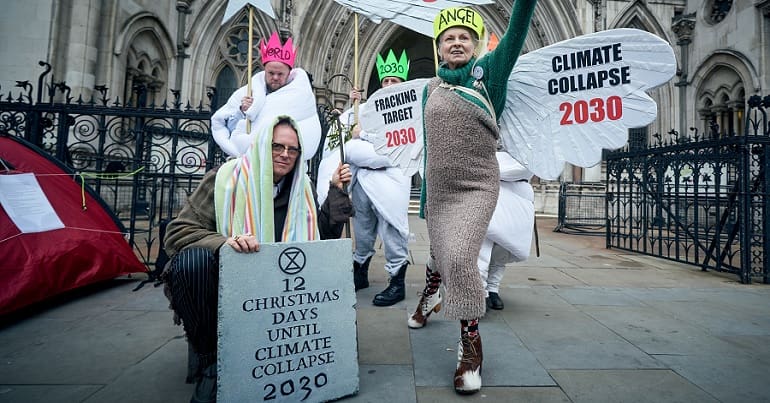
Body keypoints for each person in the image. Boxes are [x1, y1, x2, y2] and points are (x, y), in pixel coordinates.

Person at [161, 116, 353, 403]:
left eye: (293, 149)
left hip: (281, 292)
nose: (285, 154)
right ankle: (211, 362)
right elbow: (177, 233)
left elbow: (318, 242)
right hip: (226, 284)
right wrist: (225, 243)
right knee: (192, 263)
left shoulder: (301, 188)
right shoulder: (224, 179)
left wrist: (335, 189)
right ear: (263, 144)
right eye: (278, 146)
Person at [407, 2, 537, 395]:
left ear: (476, 44)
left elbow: (515, 32)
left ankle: (470, 349)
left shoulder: (489, 76)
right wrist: (428, 193)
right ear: (439, 48)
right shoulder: (431, 88)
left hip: (477, 187)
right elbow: (429, 146)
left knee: (461, 257)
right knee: (440, 254)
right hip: (440, 192)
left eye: (465, 37)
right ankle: (429, 296)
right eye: (450, 39)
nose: (457, 43)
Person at [342, 49, 412, 306]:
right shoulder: (368, 108)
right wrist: (354, 106)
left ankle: (397, 282)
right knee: (363, 229)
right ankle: (360, 273)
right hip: (364, 181)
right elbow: (346, 137)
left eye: (395, 81)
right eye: (386, 81)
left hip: (392, 179)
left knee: (392, 230)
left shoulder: (409, 111)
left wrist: (366, 141)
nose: (390, 85)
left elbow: (398, 149)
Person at [211, 32, 322, 160]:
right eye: (271, 73)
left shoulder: (301, 96)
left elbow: (307, 131)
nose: (275, 77)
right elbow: (226, 127)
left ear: (289, 73)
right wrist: (241, 112)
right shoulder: (246, 93)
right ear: (264, 71)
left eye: (280, 74)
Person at [477, 151, 535, 311]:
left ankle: (493, 289)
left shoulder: (528, 143)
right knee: (482, 247)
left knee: (504, 248)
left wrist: (486, 168)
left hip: (518, 196)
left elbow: (526, 168)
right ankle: (479, 293)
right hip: (489, 192)